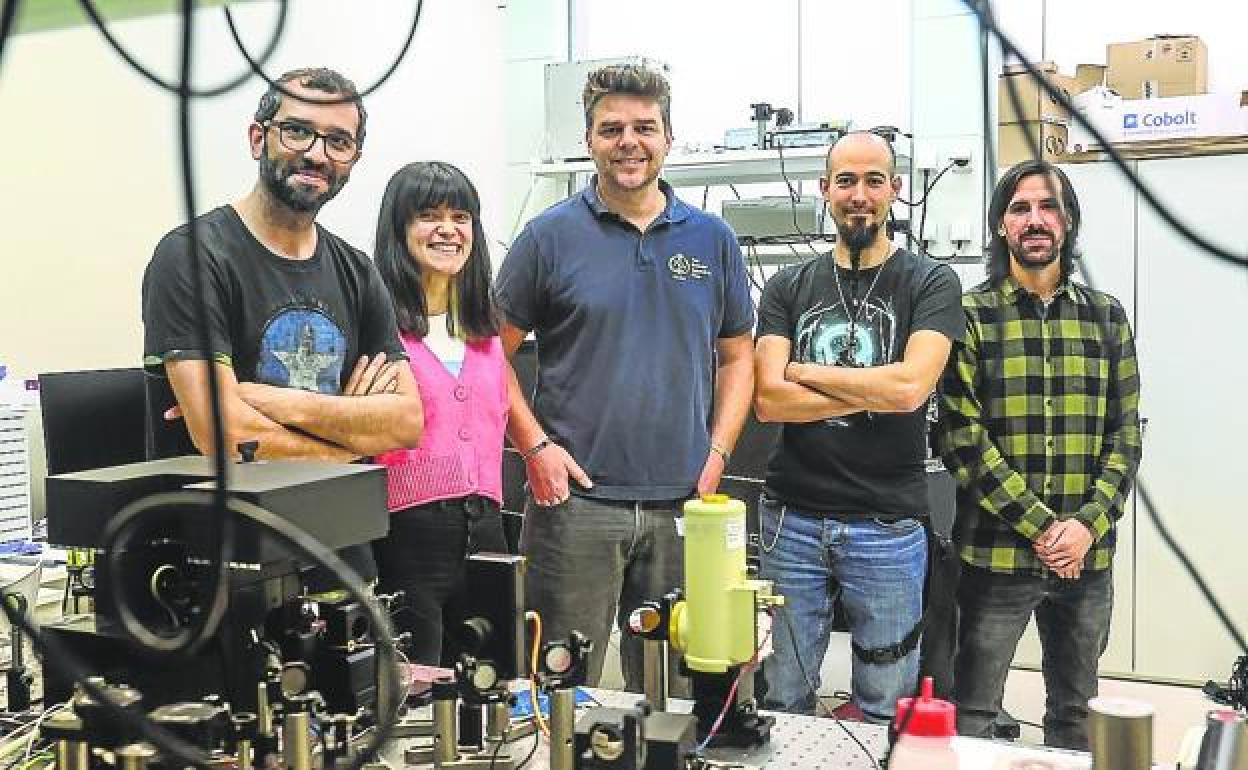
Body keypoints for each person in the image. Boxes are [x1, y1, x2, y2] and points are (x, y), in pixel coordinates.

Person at [494, 63, 755, 691]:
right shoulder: (547, 239)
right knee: (556, 686)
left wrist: (718, 449)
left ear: (668, 138)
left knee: (683, 692)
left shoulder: (713, 239)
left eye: (645, 127)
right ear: (589, 140)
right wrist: (535, 447)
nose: (629, 141)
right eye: (612, 128)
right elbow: (487, 355)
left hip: (684, 506)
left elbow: (739, 355)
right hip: (573, 507)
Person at [142, 67, 423, 586]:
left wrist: (262, 399)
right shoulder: (193, 257)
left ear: (352, 160)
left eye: (339, 141)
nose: (317, 153)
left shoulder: (357, 271)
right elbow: (222, 433)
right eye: (298, 130)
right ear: (258, 137)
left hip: (340, 552)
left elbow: (405, 423)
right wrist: (349, 445)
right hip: (225, 564)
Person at [752, 131, 963, 721]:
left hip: (888, 524)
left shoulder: (930, 282)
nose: (859, 195)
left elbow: (910, 388)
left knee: (885, 701)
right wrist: (873, 389)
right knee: (783, 693)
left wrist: (802, 370)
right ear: (825, 190)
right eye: (845, 181)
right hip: (791, 519)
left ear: (895, 190)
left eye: (874, 180)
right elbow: (769, 400)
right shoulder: (788, 285)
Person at [935, 160, 1142, 750]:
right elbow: (960, 438)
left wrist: (1085, 526)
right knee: (973, 715)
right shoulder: (970, 317)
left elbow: (1126, 433)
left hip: (1087, 559)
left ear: (1068, 221)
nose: (1035, 221)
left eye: (1049, 207)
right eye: (1020, 208)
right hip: (994, 560)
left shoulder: (1106, 317)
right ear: (1001, 225)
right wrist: (1047, 528)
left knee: (1076, 716)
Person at [369, 161, 509, 665]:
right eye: (428, 215)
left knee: (490, 687)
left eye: (461, 216)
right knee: (419, 689)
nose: (448, 229)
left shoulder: (485, 328)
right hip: (407, 535)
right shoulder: (378, 328)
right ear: (399, 230)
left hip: (487, 528)